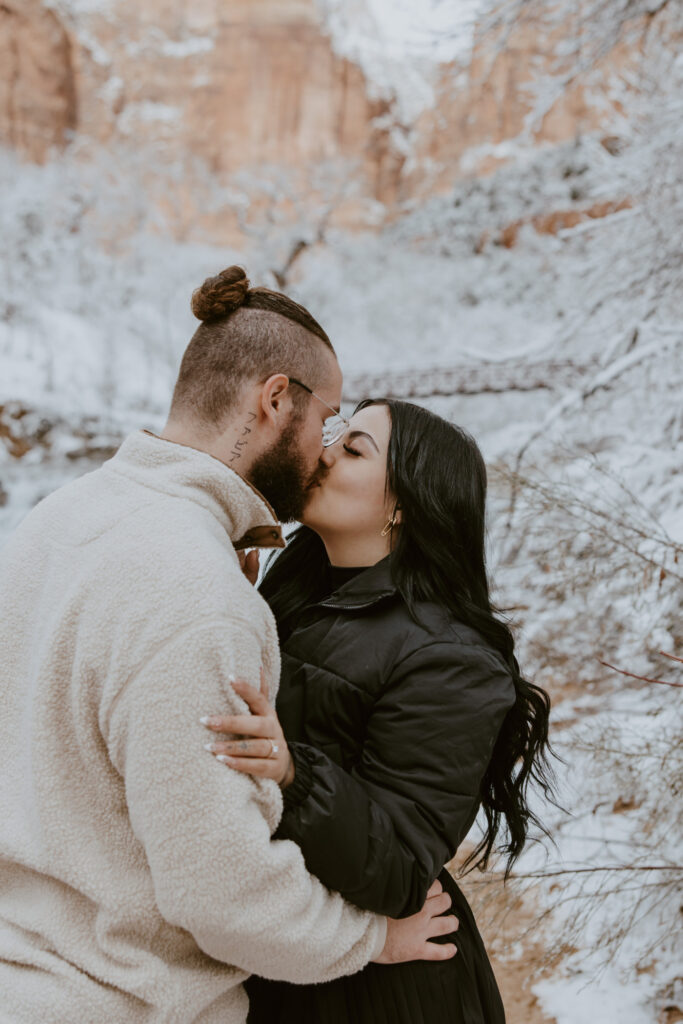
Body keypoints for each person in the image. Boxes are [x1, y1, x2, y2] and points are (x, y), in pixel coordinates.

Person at [0, 267, 457, 1024]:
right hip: (118, 1002)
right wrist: (370, 937)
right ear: (276, 400)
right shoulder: (195, 592)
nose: (324, 448)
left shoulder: (60, 516)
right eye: (327, 419)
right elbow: (220, 891)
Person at [201, 397, 554, 1023]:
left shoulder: (452, 656)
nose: (323, 451)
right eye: (335, 434)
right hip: (290, 953)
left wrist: (295, 771)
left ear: (403, 505)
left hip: (378, 992)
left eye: (355, 448)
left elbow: (399, 868)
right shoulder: (300, 593)